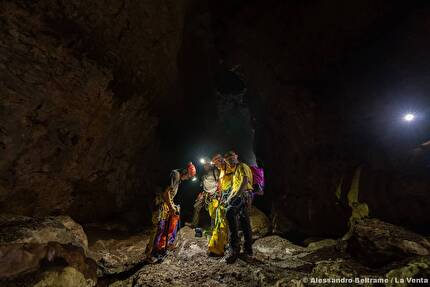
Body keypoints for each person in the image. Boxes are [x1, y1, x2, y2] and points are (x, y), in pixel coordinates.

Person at [144, 162, 196, 263]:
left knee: (163, 226)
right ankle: (149, 254)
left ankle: (159, 248)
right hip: (159, 202)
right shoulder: (175, 175)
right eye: (189, 176)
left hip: (164, 202)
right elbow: (166, 192)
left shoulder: (178, 178)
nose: (188, 179)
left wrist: (173, 206)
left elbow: (170, 194)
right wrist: (171, 206)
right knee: (157, 227)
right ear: (185, 172)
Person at [223, 150, 254, 264]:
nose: (230, 161)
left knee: (229, 212)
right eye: (227, 160)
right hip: (240, 195)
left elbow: (245, 182)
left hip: (244, 194)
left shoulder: (242, 166)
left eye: (231, 158)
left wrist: (235, 196)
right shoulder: (235, 171)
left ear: (236, 156)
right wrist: (228, 199)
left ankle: (234, 247)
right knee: (244, 222)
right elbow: (235, 187)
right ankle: (247, 251)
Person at [186, 157, 220, 228]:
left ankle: (214, 227)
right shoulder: (203, 173)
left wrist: (219, 192)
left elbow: (219, 182)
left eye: (206, 165)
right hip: (205, 193)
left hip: (214, 193)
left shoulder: (215, 171)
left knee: (214, 210)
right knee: (197, 206)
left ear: (210, 165)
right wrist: (201, 193)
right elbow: (202, 184)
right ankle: (194, 224)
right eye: (204, 165)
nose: (205, 166)